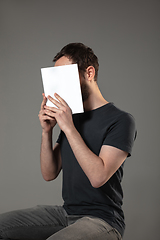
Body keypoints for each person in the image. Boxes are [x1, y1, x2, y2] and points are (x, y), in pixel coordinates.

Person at [0, 43, 136, 240]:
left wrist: (69, 127)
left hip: (103, 220)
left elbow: (98, 177)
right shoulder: (73, 117)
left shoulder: (121, 120)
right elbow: (49, 173)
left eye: (64, 76)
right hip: (66, 214)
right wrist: (47, 131)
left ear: (89, 73)